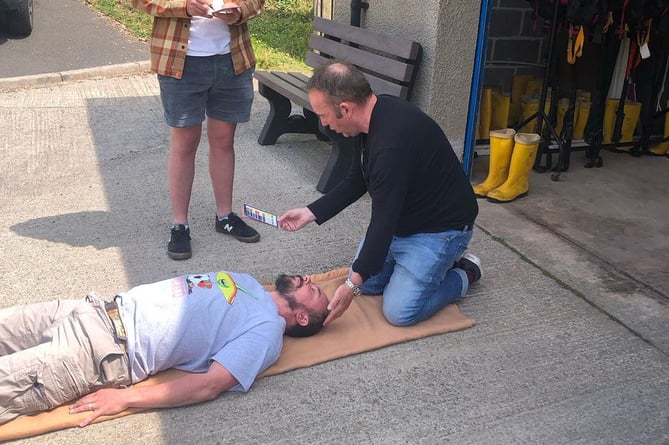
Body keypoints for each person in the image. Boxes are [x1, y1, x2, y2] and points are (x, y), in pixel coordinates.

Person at [279, 61, 482, 328]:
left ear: (345, 108)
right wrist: (310, 212)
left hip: (440, 230)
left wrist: (351, 285)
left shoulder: (391, 147)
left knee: (399, 312)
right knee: (371, 284)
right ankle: (427, 268)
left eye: (323, 115)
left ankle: (465, 272)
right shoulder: (371, 117)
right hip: (403, 220)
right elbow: (356, 180)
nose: (323, 124)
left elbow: (383, 221)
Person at [0, 270, 329, 427]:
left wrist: (125, 398)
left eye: (314, 291)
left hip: (101, 350)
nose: (310, 280)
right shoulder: (251, 283)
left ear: (301, 317)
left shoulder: (267, 331)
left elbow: (209, 385)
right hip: (94, 308)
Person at [131, 0, 265, 260]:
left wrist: (239, 11)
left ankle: (224, 216)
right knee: (184, 145)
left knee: (224, 142)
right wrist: (183, 7)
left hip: (232, 60)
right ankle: (180, 225)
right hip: (180, 64)